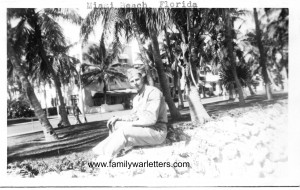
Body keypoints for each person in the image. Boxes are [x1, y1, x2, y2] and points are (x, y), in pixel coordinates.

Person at [92, 68, 168, 160]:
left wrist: (128, 125)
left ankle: (105, 156)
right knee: (115, 125)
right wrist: (118, 118)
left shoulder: (153, 92)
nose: (135, 83)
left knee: (124, 131)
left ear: (142, 79)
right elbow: (133, 116)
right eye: (132, 81)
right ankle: (114, 151)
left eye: (137, 79)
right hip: (145, 128)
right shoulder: (136, 98)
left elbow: (151, 119)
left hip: (157, 131)